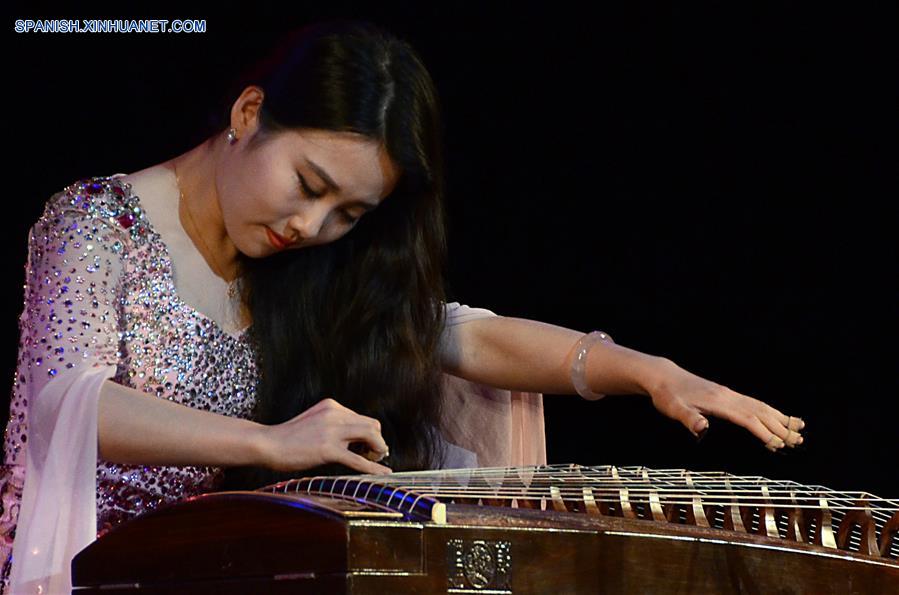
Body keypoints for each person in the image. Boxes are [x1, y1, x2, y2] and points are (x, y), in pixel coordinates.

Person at [0, 19, 805, 594]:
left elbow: (457, 338)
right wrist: (268, 440)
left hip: (214, 566)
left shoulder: (299, 264)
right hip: (84, 568)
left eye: (348, 213)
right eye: (309, 185)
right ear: (249, 114)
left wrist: (647, 371)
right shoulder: (95, 223)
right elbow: (64, 404)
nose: (309, 227)